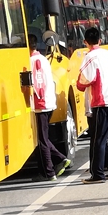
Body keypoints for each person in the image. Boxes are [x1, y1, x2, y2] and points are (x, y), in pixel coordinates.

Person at [77, 27, 108, 183]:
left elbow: (85, 80)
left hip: (102, 102)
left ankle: (97, 174)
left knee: (99, 139)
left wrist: (80, 84)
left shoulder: (90, 57)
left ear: (85, 42)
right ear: (100, 40)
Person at [29, 35, 71, 181]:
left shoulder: (32, 61)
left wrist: (37, 101)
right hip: (49, 102)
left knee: (42, 139)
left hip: (41, 103)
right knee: (43, 138)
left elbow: (37, 84)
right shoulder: (42, 59)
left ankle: (50, 171)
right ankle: (53, 165)